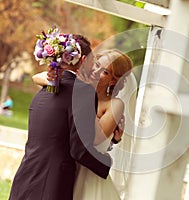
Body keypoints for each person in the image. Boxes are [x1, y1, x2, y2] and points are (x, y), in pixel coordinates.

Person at [9, 34, 113, 200]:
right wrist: (107, 163)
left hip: (24, 179)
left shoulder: (41, 93)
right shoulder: (83, 92)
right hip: (53, 185)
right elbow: (79, 149)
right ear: (84, 59)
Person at [32, 49, 134, 199]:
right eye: (97, 64)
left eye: (105, 71)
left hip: (89, 174)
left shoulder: (115, 104)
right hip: (66, 168)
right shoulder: (79, 89)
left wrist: (82, 100)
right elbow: (36, 77)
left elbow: (96, 139)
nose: (96, 71)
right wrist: (54, 78)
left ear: (113, 80)